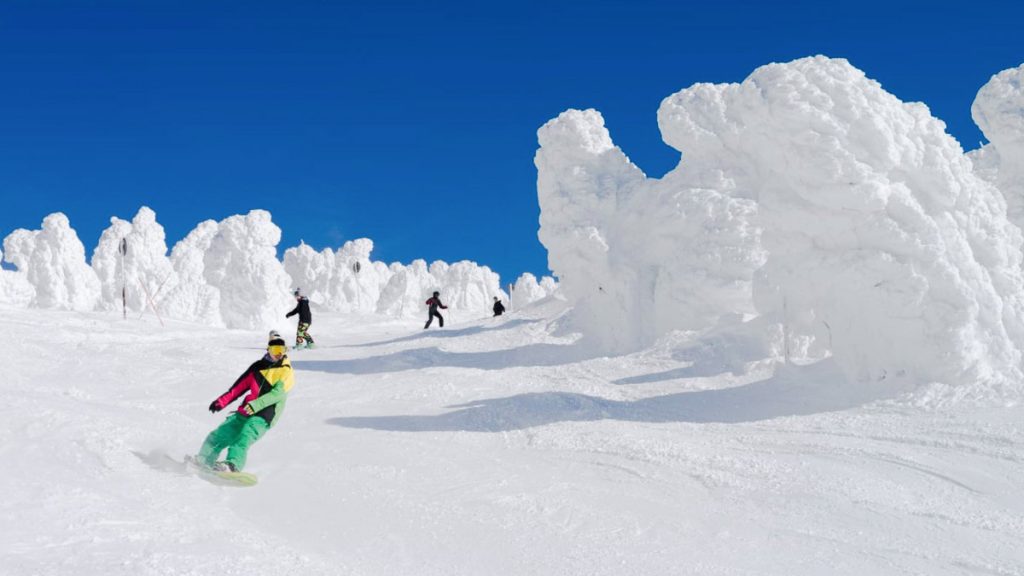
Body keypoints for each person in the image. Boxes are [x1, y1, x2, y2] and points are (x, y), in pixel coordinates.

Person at [195, 334, 294, 472]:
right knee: (219, 434)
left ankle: (232, 465)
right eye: (275, 349)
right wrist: (221, 402)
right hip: (246, 410)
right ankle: (203, 460)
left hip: (266, 414)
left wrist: (256, 405)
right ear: (268, 350)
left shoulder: (286, 371)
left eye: (282, 350)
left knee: (244, 436)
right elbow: (238, 388)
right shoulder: (257, 368)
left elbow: (277, 395)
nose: (278, 354)